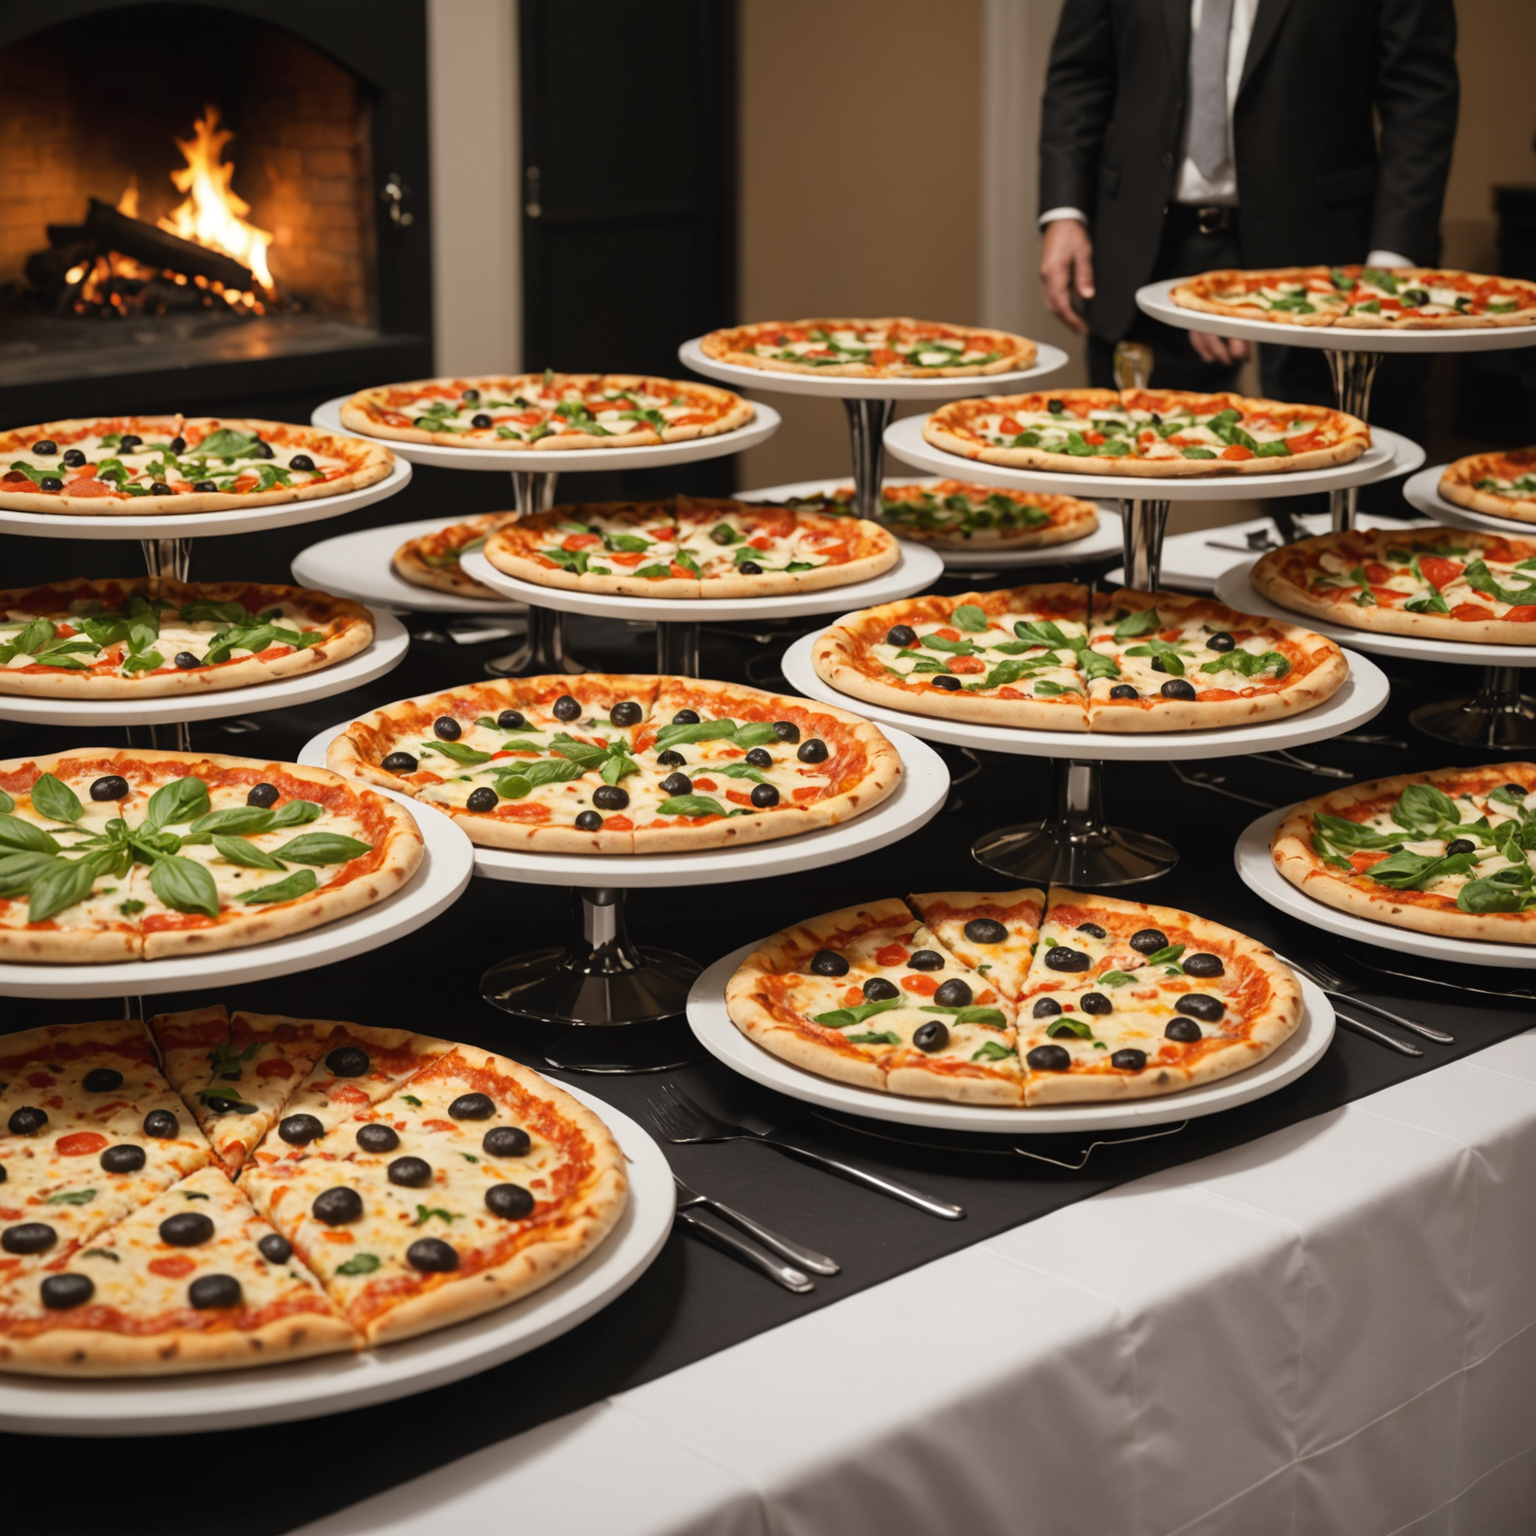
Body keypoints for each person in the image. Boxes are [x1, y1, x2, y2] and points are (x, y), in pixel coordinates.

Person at [1036, 0, 1459, 435]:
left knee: (1335, 461)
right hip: (1151, 245)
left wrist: (1393, 259)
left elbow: (1420, 95)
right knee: (1131, 456)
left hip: (1324, 256)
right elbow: (1079, 78)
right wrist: (1064, 211)